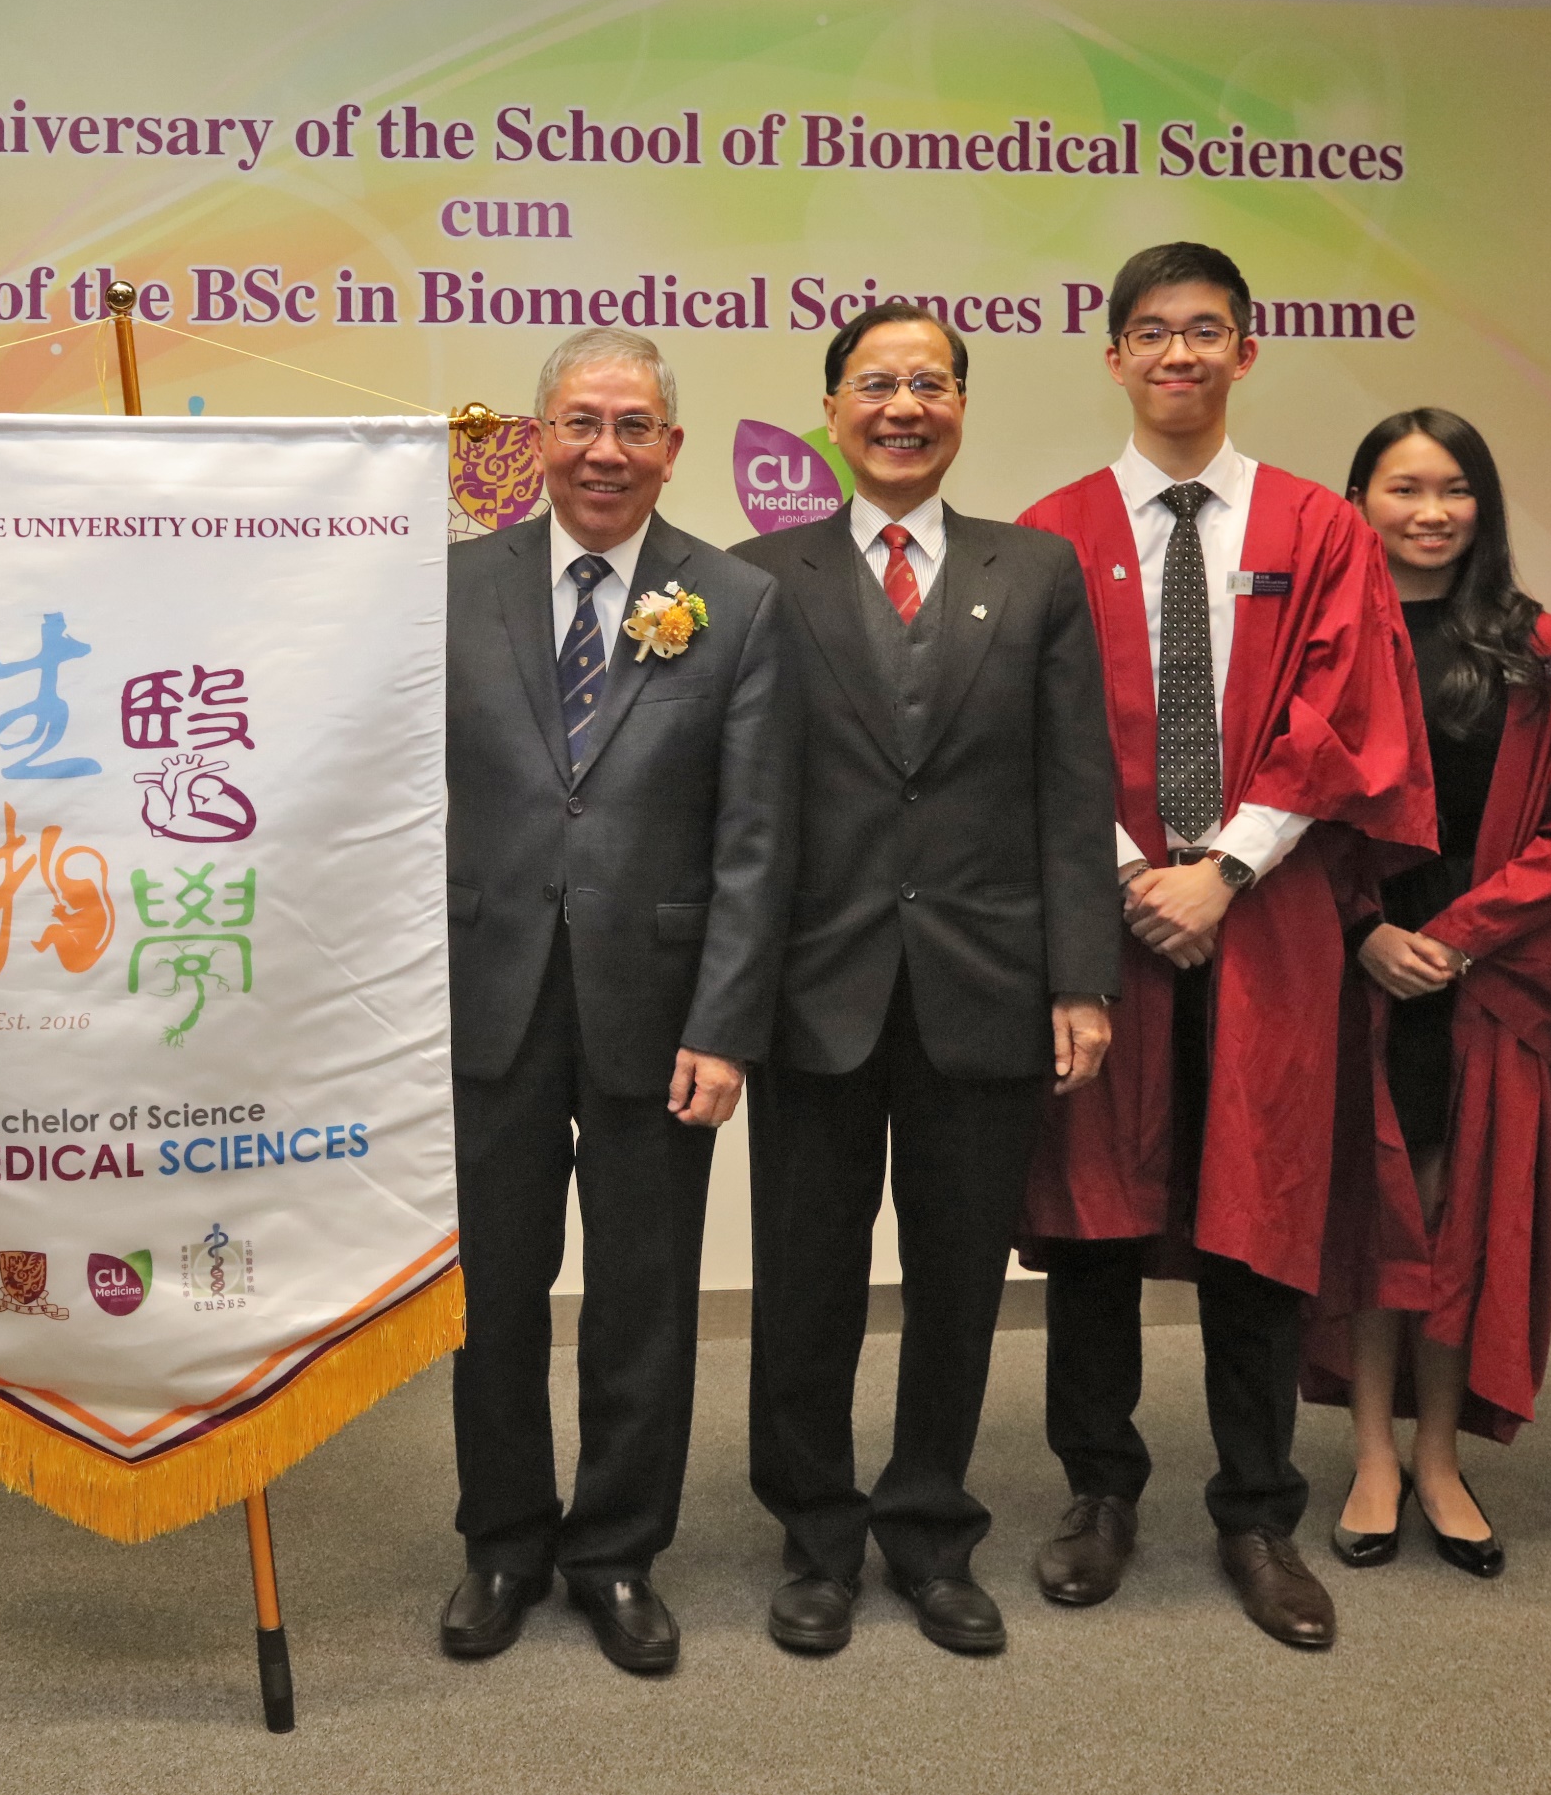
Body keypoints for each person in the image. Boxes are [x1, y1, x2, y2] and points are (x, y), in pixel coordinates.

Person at [1014, 243, 1429, 1650]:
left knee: (1263, 1214)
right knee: (1093, 1221)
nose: (1176, 355)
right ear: (1112, 354)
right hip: (1105, 915)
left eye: (1204, 332)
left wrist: (1226, 868)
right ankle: (1099, 1490)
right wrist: (1139, 872)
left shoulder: (1319, 528)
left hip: (1272, 921)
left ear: (1247, 352)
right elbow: (1033, 732)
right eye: (1149, 332)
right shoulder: (1052, 529)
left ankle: (1257, 1510)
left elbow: (1345, 713)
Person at [730, 302, 1118, 1658]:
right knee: (807, 1280)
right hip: (813, 991)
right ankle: (818, 1536)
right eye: (877, 384)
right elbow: (740, 808)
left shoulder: (1038, 571)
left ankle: (932, 1528)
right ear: (832, 409)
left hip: (989, 986)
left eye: (932, 383)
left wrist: (1085, 979)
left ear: (963, 407)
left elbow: (1076, 791)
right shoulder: (755, 575)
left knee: (959, 1278)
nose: (905, 405)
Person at [437, 325, 796, 1675]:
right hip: (487, 998)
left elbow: (757, 837)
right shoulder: (450, 589)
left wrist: (727, 1022)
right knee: (494, 1291)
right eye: (580, 421)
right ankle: (504, 1541)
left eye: (633, 424)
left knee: (644, 1295)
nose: (605, 448)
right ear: (535, 438)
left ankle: (617, 1552)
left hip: (664, 1014)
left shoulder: (738, 601)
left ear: (672, 447)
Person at [1303, 410, 1551, 1578]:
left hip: (1485, 972)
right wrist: (1365, 935)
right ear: (1358, 500)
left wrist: (1454, 936)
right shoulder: (1324, 637)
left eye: (1454, 489)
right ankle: (1372, 1457)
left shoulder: (1543, 650)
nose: (1431, 511)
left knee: (1460, 1217)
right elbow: (1293, 810)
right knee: (1372, 1213)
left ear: (1484, 508)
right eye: (1403, 488)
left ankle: (1439, 1455)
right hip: (1358, 971)